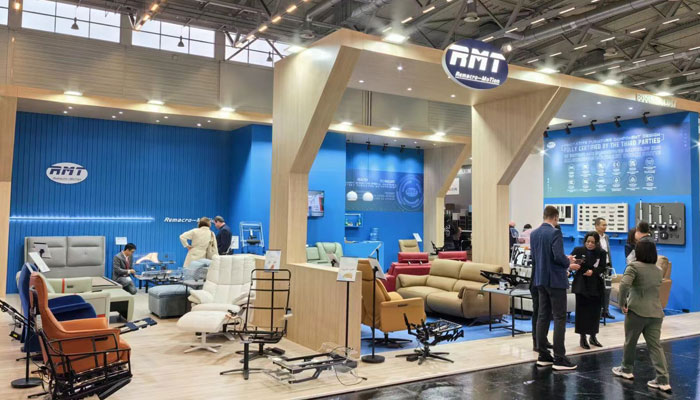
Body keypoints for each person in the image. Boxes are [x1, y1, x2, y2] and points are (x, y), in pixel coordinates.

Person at [612, 240, 671, 393]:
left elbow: (624, 285)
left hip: (636, 311)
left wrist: (622, 303)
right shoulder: (658, 270)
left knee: (630, 342)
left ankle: (626, 369)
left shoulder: (633, 266)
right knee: (655, 346)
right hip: (656, 312)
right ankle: (663, 380)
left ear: (638, 252)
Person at [531, 206, 580, 370]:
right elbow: (557, 257)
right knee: (560, 317)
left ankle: (543, 355)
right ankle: (559, 358)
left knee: (542, 316)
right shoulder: (555, 233)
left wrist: (563, 259)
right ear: (556, 217)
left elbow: (537, 257)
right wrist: (568, 263)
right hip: (556, 281)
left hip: (540, 279)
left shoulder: (534, 233)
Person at [571, 232, 607, 349]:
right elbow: (571, 262)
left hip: (595, 285)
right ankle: (582, 337)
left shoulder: (601, 252)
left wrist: (593, 272)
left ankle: (593, 336)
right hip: (581, 284)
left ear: (597, 243)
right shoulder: (578, 250)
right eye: (588, 242)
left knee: (595, 311)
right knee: (582, 312)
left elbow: (602, 267)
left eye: (592, 242)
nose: (590, 244)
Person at [595, 217, 615, 320]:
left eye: (606, 225)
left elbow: (608, 252)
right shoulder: (593, 237)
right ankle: (597, 312)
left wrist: (610, 265)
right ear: (596, 226)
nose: (605, 227)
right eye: (603, 225)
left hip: (607, 266)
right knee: (598, 290)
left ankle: (606, 311)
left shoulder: (606, 237)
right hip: (598, 267)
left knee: (607, 290)